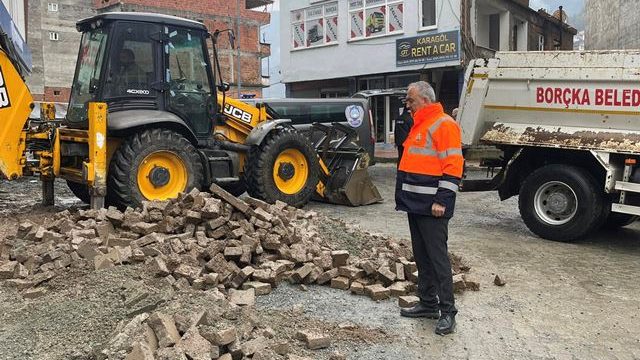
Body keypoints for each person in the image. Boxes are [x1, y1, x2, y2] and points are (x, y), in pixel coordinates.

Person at [395, 81, 464, 335]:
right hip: (416, 204)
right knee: (422, 257)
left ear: (425, 99)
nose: (407, 104)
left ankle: (448, 312)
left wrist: (442, 200)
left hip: (433, 206)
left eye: (411, 100)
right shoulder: (420, 124)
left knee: (437, 259)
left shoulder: (444, 124)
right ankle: (427, 304)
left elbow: (453, 166)